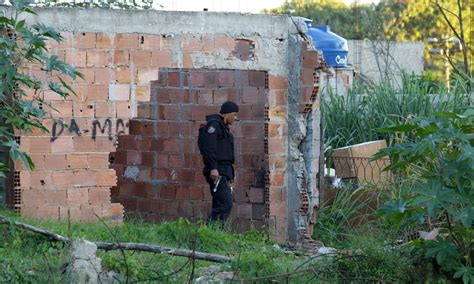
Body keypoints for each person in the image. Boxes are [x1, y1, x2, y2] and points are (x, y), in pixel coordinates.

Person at [200, 101, 239, 223]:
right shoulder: (214, 126)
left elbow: (225, 153)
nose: (236, 118)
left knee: (220, 205)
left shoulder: (223, 128)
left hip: (223, 171)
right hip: (218, 171)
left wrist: (231, 173)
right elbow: (208, 148)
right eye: (234, 114)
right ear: (227, 114)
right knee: (224, 205)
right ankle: (210, 232)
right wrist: (213, 168)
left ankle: (213, 234)